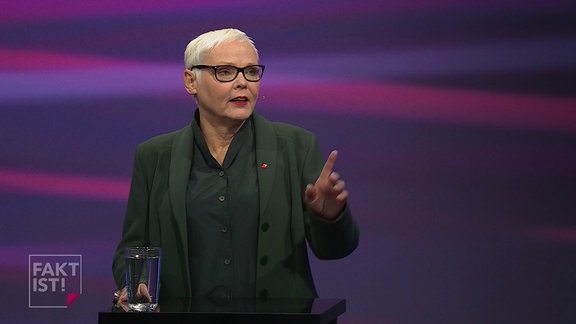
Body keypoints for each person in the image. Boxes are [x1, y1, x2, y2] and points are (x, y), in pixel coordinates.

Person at [112, 28, 359, 305]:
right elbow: (133, 248)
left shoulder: (296, 147)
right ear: (191, 81)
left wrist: (329, 218)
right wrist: (135, 283)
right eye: (226, 72)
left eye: (251, 72)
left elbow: (336, 250)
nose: (243, 83)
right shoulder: (154, 156)